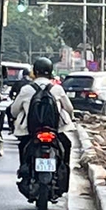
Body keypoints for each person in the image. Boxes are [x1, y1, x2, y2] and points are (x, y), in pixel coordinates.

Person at [10, 57, 73, 189]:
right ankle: (63, 172)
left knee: (23, 145)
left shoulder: (26, 89)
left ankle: (24, 170)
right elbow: (69, 109)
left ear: (34, 71)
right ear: (50, 71)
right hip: (55, 130)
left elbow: (14, 110)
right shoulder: (57, 89)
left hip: (31, 132)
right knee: (67, 144)